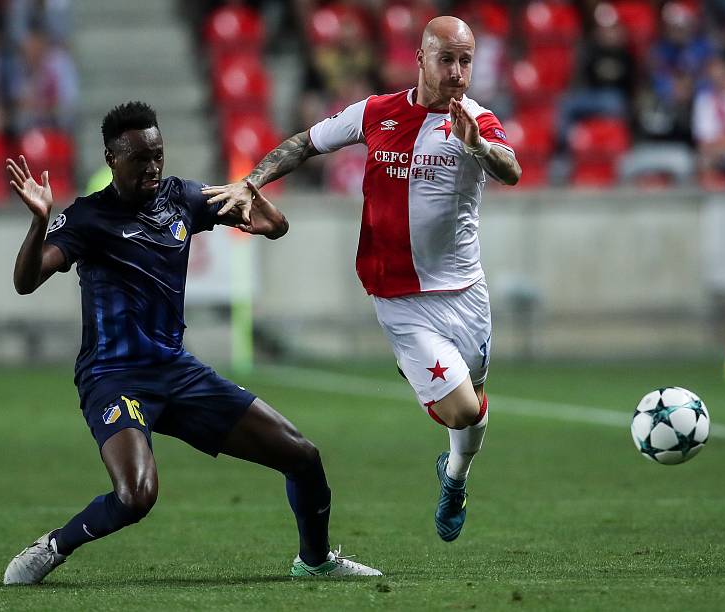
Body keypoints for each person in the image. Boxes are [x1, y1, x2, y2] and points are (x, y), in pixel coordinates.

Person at [2, 101, 381, 585]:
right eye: (140, 158)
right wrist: (39, 221)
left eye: (157, 155)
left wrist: (254, 201)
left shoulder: (180, 198)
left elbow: (274, 224)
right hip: (113, 377)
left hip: (176, 373)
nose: (153, 167)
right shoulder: (87, 219)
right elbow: (26, 280)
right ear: (112, 158)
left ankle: (316, 561)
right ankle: (55, 544)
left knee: (302, 456)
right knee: (137, 495)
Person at [203, 16, 521, 543]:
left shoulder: (477, 122)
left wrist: (480, 148)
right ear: (420, 58)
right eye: (447, 59)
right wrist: (250, 181)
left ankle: (455, 476)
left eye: (466, 61)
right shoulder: (377, 113)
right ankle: (417, 372)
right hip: (399, 297)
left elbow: (510, 168)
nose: (458, 73)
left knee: (474, 408)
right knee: (462, 408)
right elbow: (305, 143)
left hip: (465, 292)